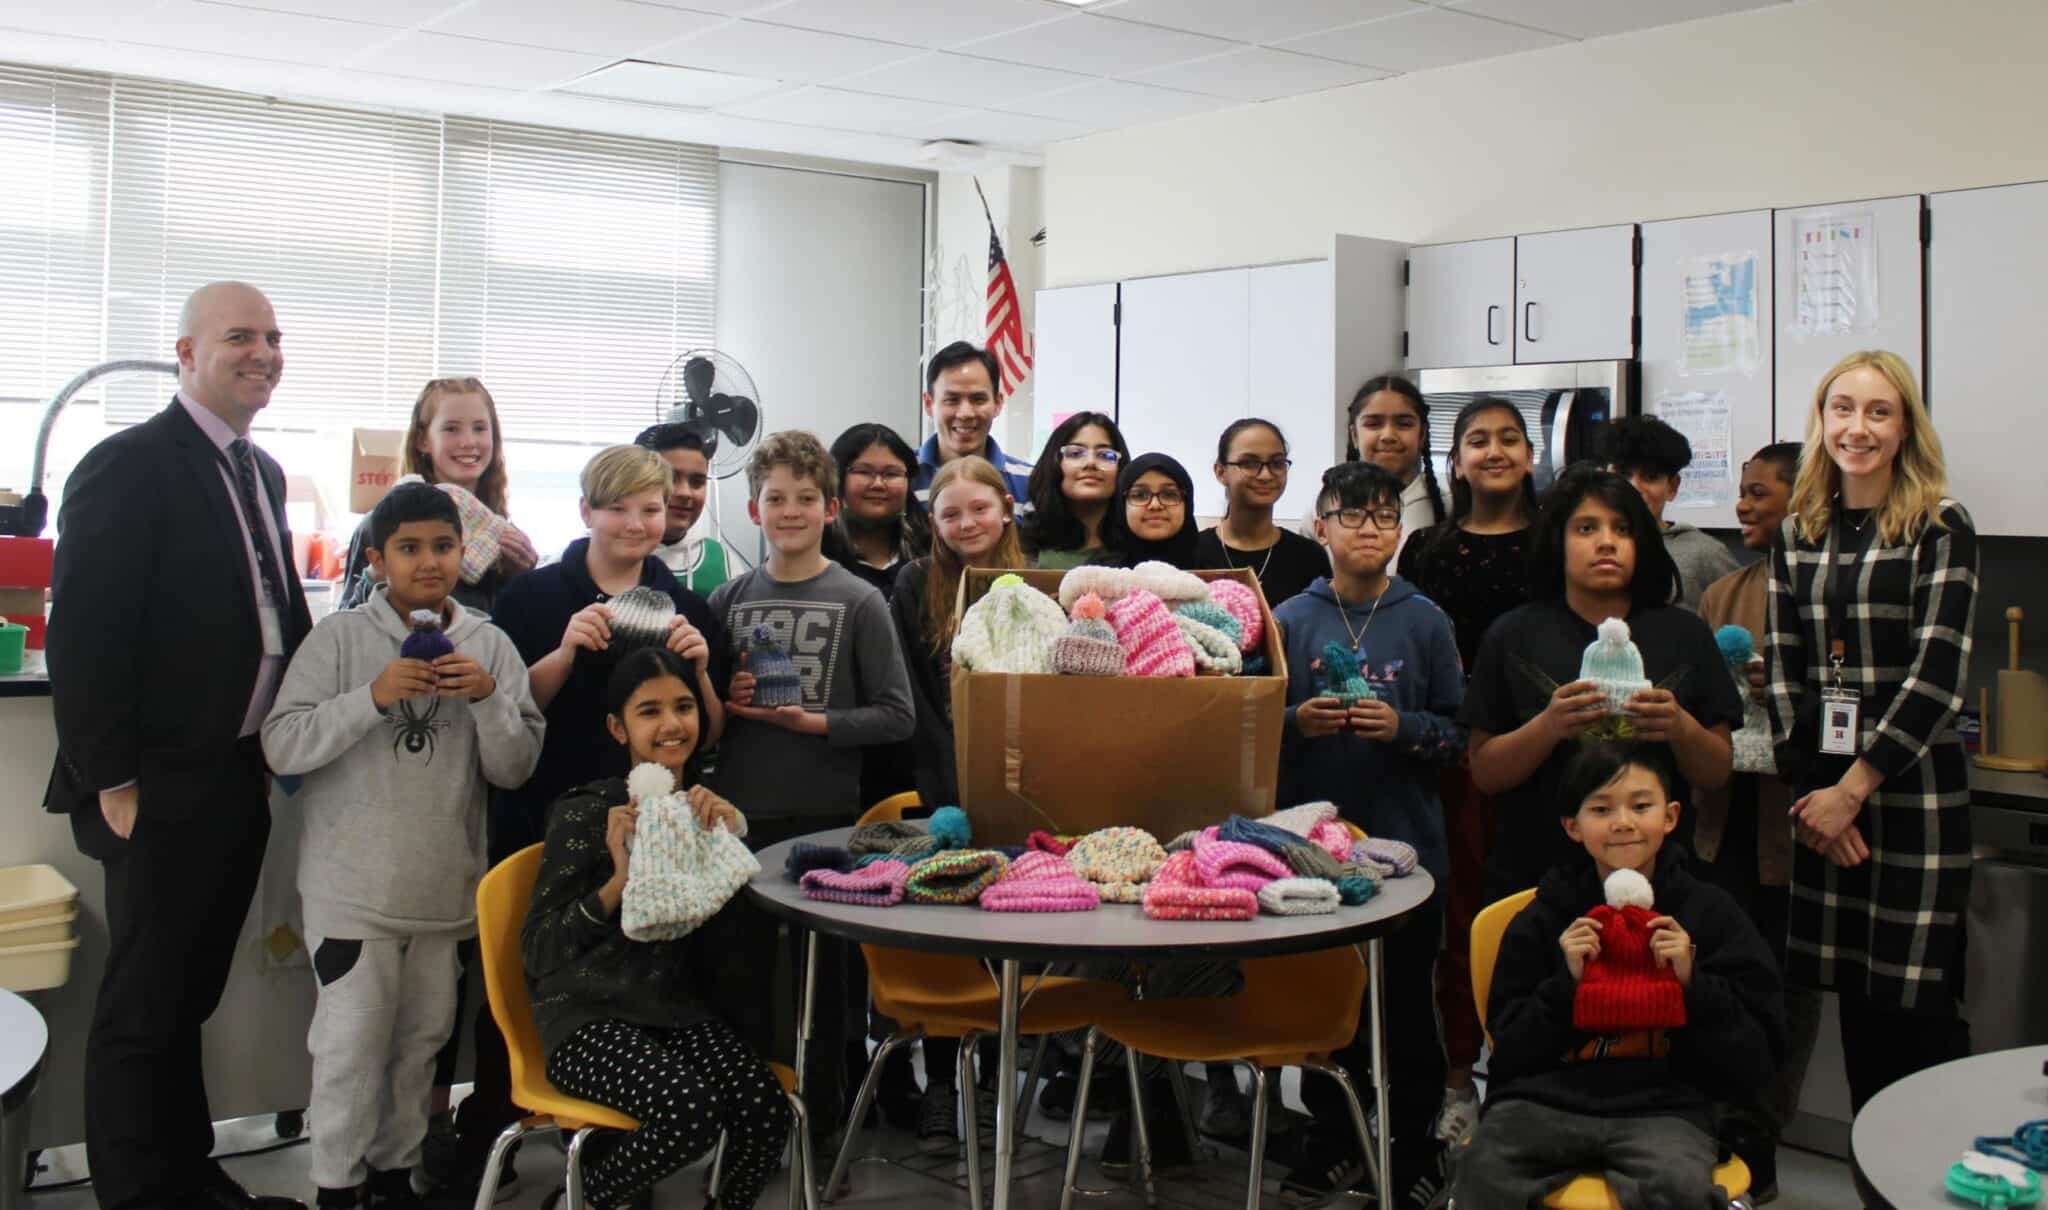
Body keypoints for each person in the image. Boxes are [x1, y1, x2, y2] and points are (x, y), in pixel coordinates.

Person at [45, 281, 313, 1210]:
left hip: (235, 771)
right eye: (241, 336)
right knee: (142, 1007)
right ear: (186, 352)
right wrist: (110, 777)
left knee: (190, 995)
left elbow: (270, 612)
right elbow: (84, 632)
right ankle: (132, 1192)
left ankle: (185, 1177)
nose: (264, 352)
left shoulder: (261, 472)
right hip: (152, 783)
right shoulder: (130, 463)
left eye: (274, 337)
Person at [260, 483, 544, 1210]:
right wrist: (372, 697)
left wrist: (486, 700)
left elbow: (515, 768)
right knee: (349, 1051)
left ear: (463, 554)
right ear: (378, 559)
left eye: (443, 547)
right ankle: (336, 1185)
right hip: (352, 892)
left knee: (422, 1048)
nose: (429, 563)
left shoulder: (489, 645)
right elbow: (282, 745)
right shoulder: (341, 639)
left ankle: (395, 1175)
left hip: (444, 893)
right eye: (410, 549)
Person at [455, 443, 726, 1189]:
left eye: (651, 508)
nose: (637, 524)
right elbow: (506, 716)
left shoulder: (686, 605)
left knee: (638, 974)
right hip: (542, 815)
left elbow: (711, 729)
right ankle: (488, 1135)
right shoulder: (534, 598)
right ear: (586, 513)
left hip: (653, 829)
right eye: (619, 509)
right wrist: (567, 652)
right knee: (518, 974)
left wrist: (701, 671)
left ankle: (621, 1142)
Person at [1765, 350, 1978, 1112]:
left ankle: (1937, 1179)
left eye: (1879, 411)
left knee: (1917, 1009)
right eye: (1843, 409)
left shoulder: (1938, 525)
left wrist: (1851, 791)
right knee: (1858, 1005)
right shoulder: (1800, 531)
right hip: (1827, 798)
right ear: (1822, 423)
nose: (1859, 427)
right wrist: (1820, 793)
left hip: (1910, 794)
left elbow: (1936, 680)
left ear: (1905, 427)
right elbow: (1785, 667)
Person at [1451, 742, 1785, 1210]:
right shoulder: (1544, 918)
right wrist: (1565, 986)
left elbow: (1758, 1055)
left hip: (1667, 1107)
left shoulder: (1711, 914)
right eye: (1601, 808)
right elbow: (1509, 1052)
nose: (1623, 822)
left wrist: (1694, 984)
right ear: (1573, 826)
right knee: (1481, 1176)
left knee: (1679, 1189)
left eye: (1641, 805)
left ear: (1669, 817)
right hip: (1544, 1102)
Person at [523, 647, 790, 1209]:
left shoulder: (700, 811)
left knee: (766, 1113)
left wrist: (729, 834)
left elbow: (725, 924)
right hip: (587, 1017)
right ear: (618, 728)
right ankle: (580, 1200)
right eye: (649, 712)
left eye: (685, 707)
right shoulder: (587, 812)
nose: (672, 725)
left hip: (672, 1011)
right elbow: (541, 950)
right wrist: (617, 880)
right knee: (689, 1113)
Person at [707, 429, 917, 1133]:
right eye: (775, 498)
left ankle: (824, 1127)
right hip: (736, 822)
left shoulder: (860, 601)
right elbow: (703, 717)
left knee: (825, 993)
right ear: (751, 507)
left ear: (830, 509)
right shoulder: (727, 599)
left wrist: (813, 723)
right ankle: (749, 1123)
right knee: (739, 984)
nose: (788, 510)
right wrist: (722, 699)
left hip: (823, 822)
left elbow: (896, 716)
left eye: (804, 498)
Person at [1270, 461, 1463, 1204]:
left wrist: (1404, 727)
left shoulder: (1425, 619)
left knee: (1409, 1010)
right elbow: (1246, 727)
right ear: (1319, 528)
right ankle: (1335, 1143)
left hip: (1410, 852)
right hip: (1310, 853)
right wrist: (1298, 722)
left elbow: (1459, 736)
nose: (1370, 529)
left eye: (1384, 516)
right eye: (1352, 516)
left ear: (1400, 531)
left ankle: (1415, 1150)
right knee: (1331, 1012)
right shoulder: (1289, 617)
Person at [1463, 466, 1741, 902]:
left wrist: (1680, 728)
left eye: (1623, 529)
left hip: (1662, 878)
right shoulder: (1513, 634)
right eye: (1586, 528)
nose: (1606, 541)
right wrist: (1549, 726)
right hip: (1537, 876)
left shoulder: (1685, 634)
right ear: (1558, 539)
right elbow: (1485, 773)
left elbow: (1717, 771)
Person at [1394, 395, 1542, 1144]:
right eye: (1477, 440)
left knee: (1534, 922)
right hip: (1452, 761)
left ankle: (1526, 1085)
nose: (1494, 451)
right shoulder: (1427, 550)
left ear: (1530, 454)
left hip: (1543, 760)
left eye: (1508, 439)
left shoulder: (1556, 542)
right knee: (1459, 923)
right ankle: (1458, 1083)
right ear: (1454, 462)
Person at [1690, 441, 1820, 1198]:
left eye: (1760, 493)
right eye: (1741, 493)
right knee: (1717, 979)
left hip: (1795, 826)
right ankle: (1717, 1129)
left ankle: (1761, 1139)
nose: (1744, 506)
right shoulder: (1725, 592)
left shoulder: (1830, 590)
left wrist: (1787, 691)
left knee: (1783, 987)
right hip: (1720, 818)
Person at [887, 455, 1024, 1144]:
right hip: (944, 790)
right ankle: (943, 1082)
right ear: (932, 523)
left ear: (1005, 507)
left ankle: (997, 1082)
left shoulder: (1032, 582)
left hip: (1025, 788)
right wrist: (953, 777)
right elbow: (913, 696)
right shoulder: (914, 584)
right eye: (950, 514)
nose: (966, 523)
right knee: (949, 943)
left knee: (1010, 940)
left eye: (978, 509)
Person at [337, 378, 538, 613]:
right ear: (423, 440)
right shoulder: (379, 524)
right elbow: (345, 624)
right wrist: (376, 576)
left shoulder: (500, 534)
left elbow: (511, 633)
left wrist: (524, 579)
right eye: (451, 429)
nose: (468, 442)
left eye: (480, 428)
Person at [1599, 415, 1740, 611]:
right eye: (1623, 474)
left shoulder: (1705, 554)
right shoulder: (1584, 546)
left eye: (1650, 477)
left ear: (1672, 486)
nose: (1634, 487)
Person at [1192, 418, 1325, 609]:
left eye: (1277, 463)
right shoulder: (1193, 552)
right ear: (1221, 471)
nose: (1265, 475)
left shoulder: (1309, 557)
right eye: (1249, 463)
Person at [909, 341, 1032, 506]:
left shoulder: (1030, 483)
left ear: (998, 403)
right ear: (929, 404)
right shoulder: (901, 476)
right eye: (951, 400)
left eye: (978, 399)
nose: (965, 413)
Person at [1347, 375, 1446, 571]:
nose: (1388, 436)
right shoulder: (1324, 509)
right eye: (1374, 424)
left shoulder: (1450, 502)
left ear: (1422, 435)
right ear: (1354, 436)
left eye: (1404, 424)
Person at [822, 422, 930, 598]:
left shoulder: (931, 550)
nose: (878, 484)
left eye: (891, 474)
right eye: (864, 472)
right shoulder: (815, 552)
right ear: (838, 477)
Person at [1019, 411, 1129, 569]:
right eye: (1076, 453)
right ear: (1055, 463)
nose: (1091, 463)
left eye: (1105, 455)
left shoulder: (1137, 547)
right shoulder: (1025, 547)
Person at [635, 421, 729, 596]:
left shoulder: (723, 562)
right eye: (670, 478)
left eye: (697, 482)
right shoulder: (605, 557)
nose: (685, 493)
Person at [1105, 452, 1200, 569]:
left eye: (1169, 494)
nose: (1155, 505)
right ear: (1121, 505)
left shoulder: (1214, 566)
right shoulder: (1097, 575)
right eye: (1139, 495)